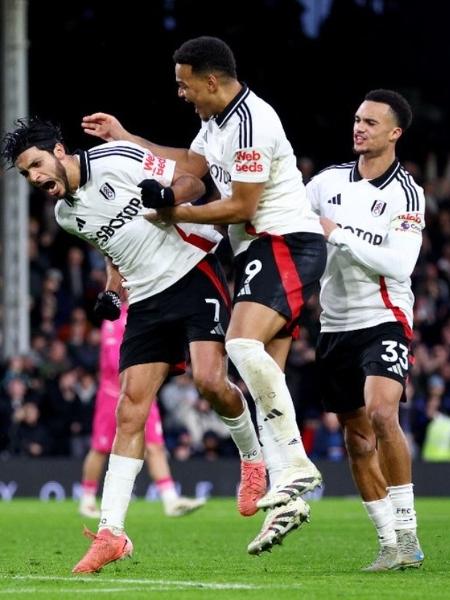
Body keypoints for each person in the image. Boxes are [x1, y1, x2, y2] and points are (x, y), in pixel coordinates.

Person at [82, 35, 326, 555]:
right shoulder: (216, 121)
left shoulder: (251, 123)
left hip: (283, 242)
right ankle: (285, 495)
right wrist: (129, 138)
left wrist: (177, 214)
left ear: (210, 80)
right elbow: (189, 169)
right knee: (266, 378)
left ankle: (298, 466)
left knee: (239, 348)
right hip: (258, 252)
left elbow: (240, 205)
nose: (181, 94)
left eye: (184, 84)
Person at [1, 117, 266, 573]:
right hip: (144, 299)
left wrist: (169, 196)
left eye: (37, 165)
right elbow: (112, 247)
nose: (35, 178)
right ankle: (111, 533)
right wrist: (112, 289)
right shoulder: (67, 215)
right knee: (129, 408)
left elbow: (189, 178)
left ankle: (253, 459)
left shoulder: (115, 158)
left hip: (191, 269)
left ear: (59, 151)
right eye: (26, 174)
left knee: (209, 380)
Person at [306, 89, 425, 571]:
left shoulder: (406, 193)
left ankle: (409, 532)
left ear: (395, 132)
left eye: (371, 122)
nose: (359, 128)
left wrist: (339, 236)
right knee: (356, 438)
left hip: (384, 316)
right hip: (334, 324)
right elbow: (283, 213)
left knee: (381, 412)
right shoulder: (327, 183)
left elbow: (401, 263)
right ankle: (388, 542)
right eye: (357, 119)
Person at [79, 302, 205, 519]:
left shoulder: (148, 310)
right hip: (113, 394)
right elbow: (112, 359)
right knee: (100, 447)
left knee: (155, 445)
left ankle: (170, 500)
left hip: (145, 391)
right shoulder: (115, 315)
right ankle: (87, 499)